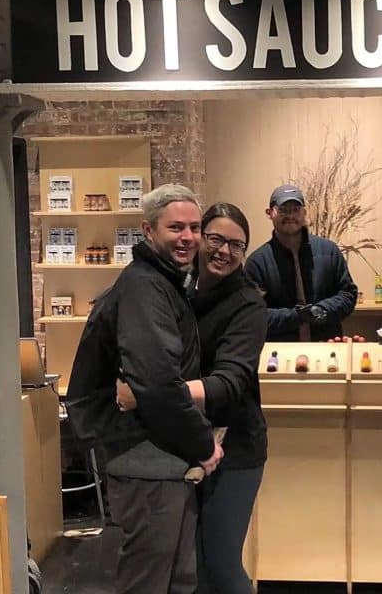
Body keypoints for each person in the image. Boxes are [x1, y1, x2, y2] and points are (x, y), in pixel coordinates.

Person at [65, 184, 224, 594]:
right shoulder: (144, 286)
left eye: (193, 227)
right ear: (148, 230)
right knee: (149, 582)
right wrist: (203, 443)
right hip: (143, 455)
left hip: (163, 455)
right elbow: (157, 381)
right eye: (176, 227)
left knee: (177, 578)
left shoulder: (165, 282)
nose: (187, 237)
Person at [117, 202, 268, 594]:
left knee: (219, 563)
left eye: (237, 245)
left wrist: (153, 395)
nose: (224, 251)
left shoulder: (249, 304)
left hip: (235, 449)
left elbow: (229, 383)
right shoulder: (175, 288)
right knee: (190, 567)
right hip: (187, 442)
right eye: (215, 238)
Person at [245, 184, 358, 341]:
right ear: (270, 213)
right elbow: (253, 315)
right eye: (283, 209)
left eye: (295, 209)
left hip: (327, 345)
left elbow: (348, 294)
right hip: (279, 352)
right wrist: (297, 316)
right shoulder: (257, 262)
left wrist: (321, 310)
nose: (290, 215)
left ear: (304, 213)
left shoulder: (329, 250)